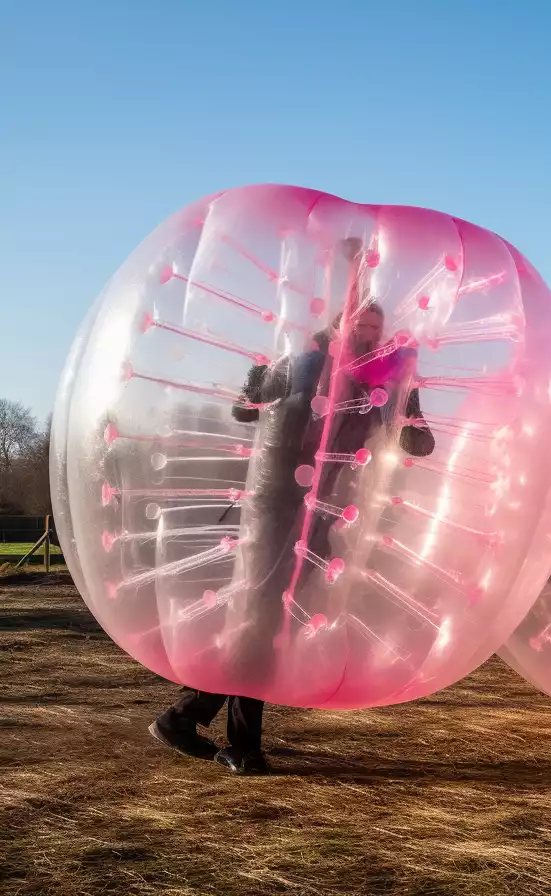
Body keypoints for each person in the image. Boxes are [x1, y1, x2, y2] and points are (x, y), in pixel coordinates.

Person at [150, 248, 435, 773]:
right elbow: (244, 410)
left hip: (323, 510)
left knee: (277, 617)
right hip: (276, 500)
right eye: (361, 328)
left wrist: (410, 414)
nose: (369, 337)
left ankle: (186, 717)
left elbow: (420, 444)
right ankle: (238, 744)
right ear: (341, 327)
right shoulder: (306, 363)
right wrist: (259, 381)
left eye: (376, 331)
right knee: (260, 614)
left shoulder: (382, 384)